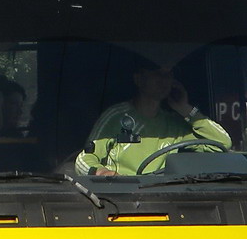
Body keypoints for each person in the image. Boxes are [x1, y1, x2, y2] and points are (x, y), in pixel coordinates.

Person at [76, 59, 232, 176]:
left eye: (169, 74)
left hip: (160, 201)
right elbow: (84, 159)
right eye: (158, 73)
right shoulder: (116, 116)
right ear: (138, 79)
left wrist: (186, 109)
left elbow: (222, 144)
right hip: (119, 201)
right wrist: (102, 173)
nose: (164, 79)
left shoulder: (174, 125)